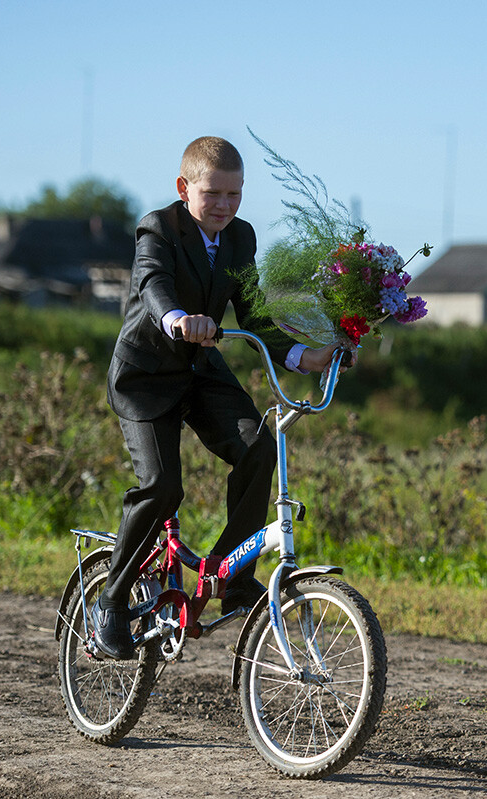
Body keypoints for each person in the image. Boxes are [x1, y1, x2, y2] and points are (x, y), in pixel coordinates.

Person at [92, 136, 348, 660]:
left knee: (260, 446)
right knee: (163, 486)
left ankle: (230, 575)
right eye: (214, 194)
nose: (226, 206)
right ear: (184, 188)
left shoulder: (239, 237)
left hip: (201, 371)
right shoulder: (159, 228)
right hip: (146, 377)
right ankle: (111, 603)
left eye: (236, 194)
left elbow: (251, 314)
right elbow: (152, 283)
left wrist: (304, 355)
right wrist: (177, 319)